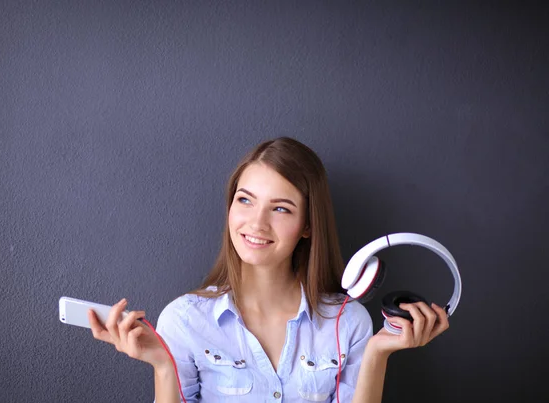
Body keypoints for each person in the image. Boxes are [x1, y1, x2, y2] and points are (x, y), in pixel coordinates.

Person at [88, 137, 450, 402]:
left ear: (308, 225)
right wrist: (162, 366)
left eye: (280, 209)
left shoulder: (349, 322)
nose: (255, 223)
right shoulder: (184, 320)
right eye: (245, 200)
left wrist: (377, 353)